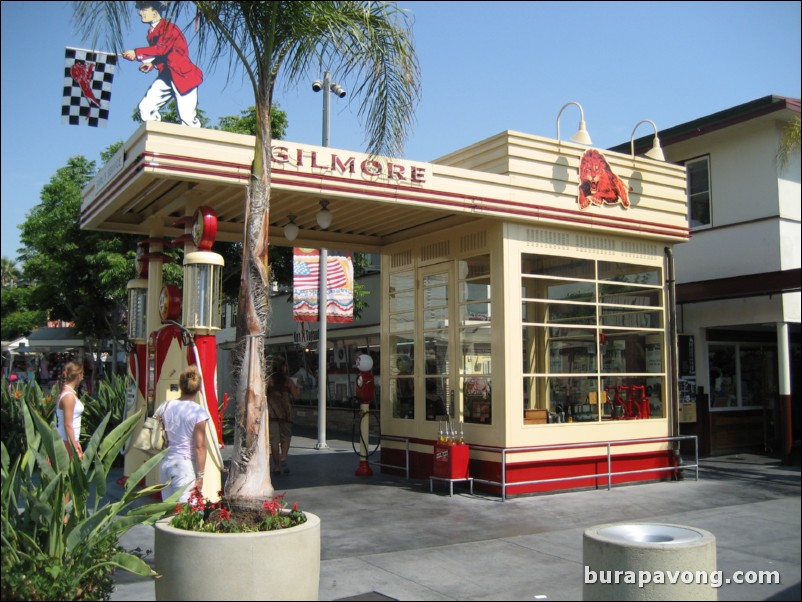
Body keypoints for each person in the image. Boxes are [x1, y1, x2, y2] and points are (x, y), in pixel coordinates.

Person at [122, 1, 203, 127]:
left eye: (144, 9)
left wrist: (136, 53)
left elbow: (161, 49)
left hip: (183, 76)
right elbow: (165, 54)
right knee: (146, 108)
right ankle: (156, 137)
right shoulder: (152, 32)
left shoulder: (168, 28)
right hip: (167, 75)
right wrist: (152, 63)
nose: (140, 13)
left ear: (155, 12)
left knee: (188, 119)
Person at [156, 365, 208, 502]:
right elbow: (199, 446)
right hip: (184, 466)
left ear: (180, 385)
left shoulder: (165, 406)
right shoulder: (198, 412)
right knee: (188, 513)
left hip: (166, 462)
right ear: (198, 388)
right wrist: (200, 476)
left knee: (167, 510)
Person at [267, 358, 300, 475]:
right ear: (283, 367)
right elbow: (296, 396)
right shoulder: (289, 381)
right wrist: (297, 388)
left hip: (272, 413)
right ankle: (284, 458)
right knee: (286, 437)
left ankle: (276, 466)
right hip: (286, 413)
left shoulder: (268, 381)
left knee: (274, 441)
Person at [56, 361, 85, 459]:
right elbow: (68, 424)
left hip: (69, 440)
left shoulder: (69, 393)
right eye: (82, 374)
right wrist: (74, 447)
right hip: (66, 441)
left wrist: (76, 443)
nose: (83, 378)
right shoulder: (68, 396)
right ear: (78, 375)